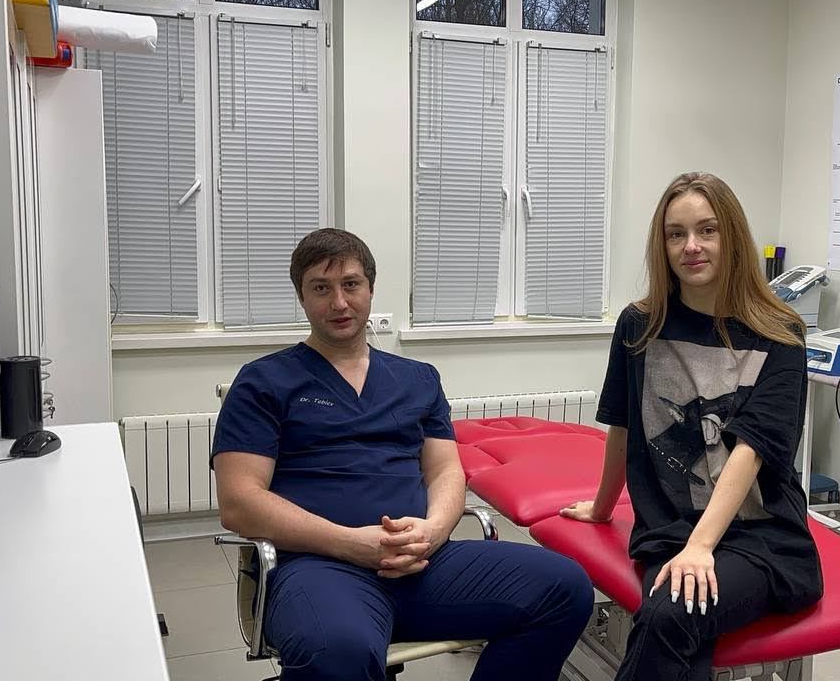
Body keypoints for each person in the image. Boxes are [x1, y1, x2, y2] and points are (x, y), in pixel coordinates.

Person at [212, 228, 594, 681]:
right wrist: (351, 543)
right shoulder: (263, 382)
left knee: (565, 588)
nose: (339, 302)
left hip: (425, 563)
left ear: (371, 289)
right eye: (321, 288)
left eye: (351, 284)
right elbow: (239, 502)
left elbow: (446, 470)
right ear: (302, 297)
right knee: (339, 650)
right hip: (320, 567)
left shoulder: (418, 378)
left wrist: (433, 532)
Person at [561, 172, 824, 680]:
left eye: (707, 230)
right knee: (679, 626)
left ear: (732, 236)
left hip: (762, 537)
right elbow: (624, 426)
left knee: (669, 615)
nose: (691, 246)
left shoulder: (779, 333)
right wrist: (601, 508)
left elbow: (750, 450)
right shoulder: (639, 325)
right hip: (670, 529)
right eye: (675, 234)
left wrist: (701, 548)